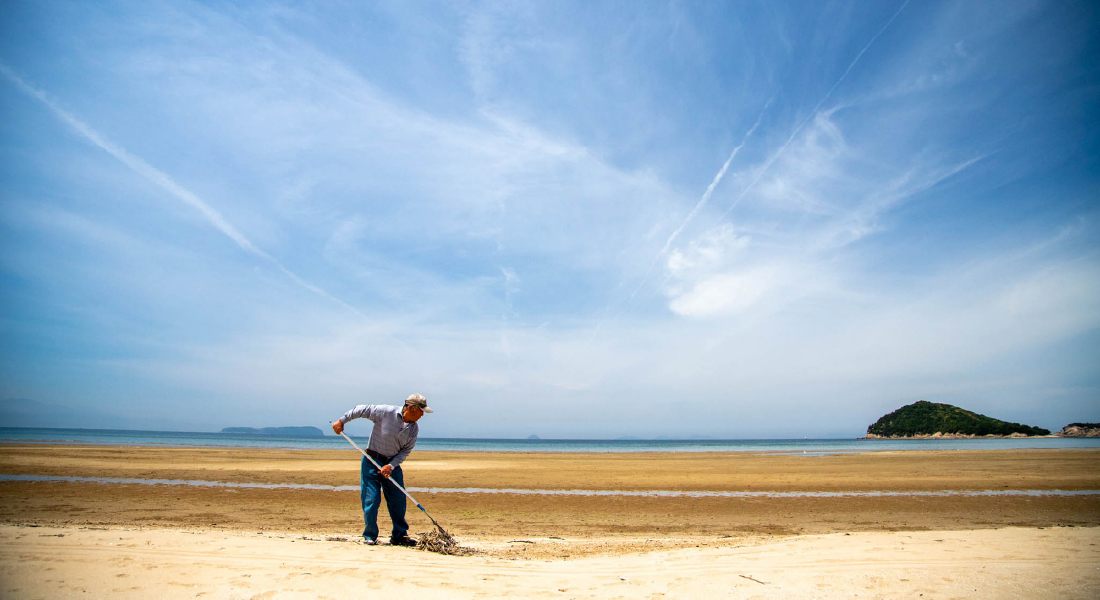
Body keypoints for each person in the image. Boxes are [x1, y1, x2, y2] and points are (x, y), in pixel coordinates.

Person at [332, 393, 432, 546]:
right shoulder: (385, 412)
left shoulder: (414, 429)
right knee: (371, 499)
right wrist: (342, 421)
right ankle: (370, 536)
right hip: (372, 460)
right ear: (411, 408)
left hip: (392, 465)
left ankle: (399, 535)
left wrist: (391, 466)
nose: (422, 415)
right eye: (421, 411)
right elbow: (361, 410)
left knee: (398, 500)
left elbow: (405, 451)